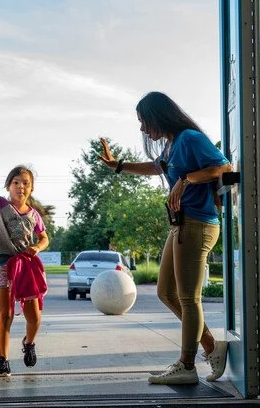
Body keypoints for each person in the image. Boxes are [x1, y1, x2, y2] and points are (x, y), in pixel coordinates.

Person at [98, 91, 231, 384]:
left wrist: (185, 180)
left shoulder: (189, 138)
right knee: (165, 292)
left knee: (187, 297)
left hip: (198, 223)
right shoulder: (172, 146)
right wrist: (118, 166)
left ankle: (187, 365)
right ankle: (210, 347)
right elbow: (154, 167)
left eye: (145, 122)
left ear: (159, 116)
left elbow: (222, 167)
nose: (144, 129)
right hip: (182, 224)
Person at [0, 162, 49, 377]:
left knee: (33, 317)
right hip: (4, 264)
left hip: (26, 265)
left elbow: (44, 238)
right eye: (16, 182)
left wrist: (36, 246)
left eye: (26, 183)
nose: (21, 187)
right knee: (5, 314)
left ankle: (29, 342)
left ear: (31, 188)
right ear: (8, 186)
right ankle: (3, 359)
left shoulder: (34, 215)